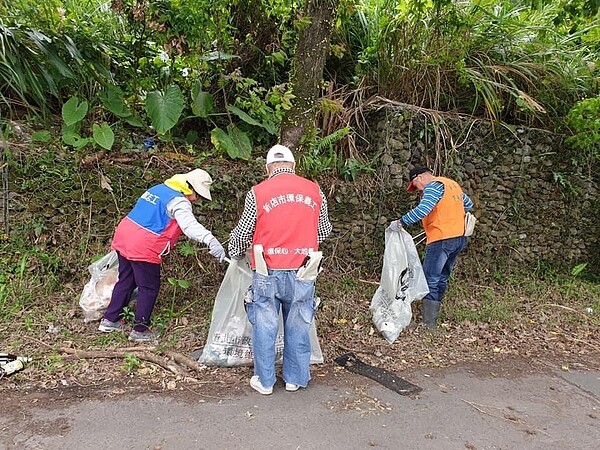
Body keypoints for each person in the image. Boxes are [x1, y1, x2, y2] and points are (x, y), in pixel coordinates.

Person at [229, 145, 332, 395]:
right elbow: (324, 230)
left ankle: (265, 381)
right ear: (294, 166)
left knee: (265, 323)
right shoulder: (314, 191)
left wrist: (233, 250)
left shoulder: (258, 192)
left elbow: (244, 233)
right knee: (298, 322)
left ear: (268, 168)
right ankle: (294, 379)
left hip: (267, 269)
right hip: (304, 270)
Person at [98, 169, 226, 342]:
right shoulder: (178, 201)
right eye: (199, 195)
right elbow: (189, 226)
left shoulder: (159, 189)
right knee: (149, 287)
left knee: (126, 279)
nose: (198, 200)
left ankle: (110, 320)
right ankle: (140, 330)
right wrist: (210, 240)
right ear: (191, 188)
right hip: (144, 244)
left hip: (125, 235)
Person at [389, 166, 473, 329]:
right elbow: (468, 204)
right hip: (459, 238)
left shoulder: (433, 187)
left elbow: (423, 209)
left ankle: (429, 324)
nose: (418, 190)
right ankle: (432, 319)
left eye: (415, 185)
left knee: (430, 279)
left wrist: (401, 222)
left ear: (419, 178)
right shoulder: (451, 184)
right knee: (442, 277)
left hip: (441, 238)